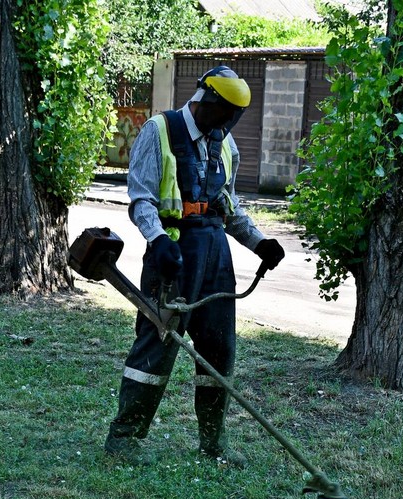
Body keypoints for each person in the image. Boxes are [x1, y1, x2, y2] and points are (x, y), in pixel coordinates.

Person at [105, 65, 286, 466]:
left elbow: (229, 207)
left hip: (215, 254)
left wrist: (259, 243)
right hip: (172, 252)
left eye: (232, 118)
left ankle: (212, 444)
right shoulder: (159, 130)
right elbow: (142, 199)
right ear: (205, 101)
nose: (226, 124)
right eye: (223, 114)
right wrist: (156, 240)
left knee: (219, 350)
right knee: (158, 344)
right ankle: (124, 440)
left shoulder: (226, 144)